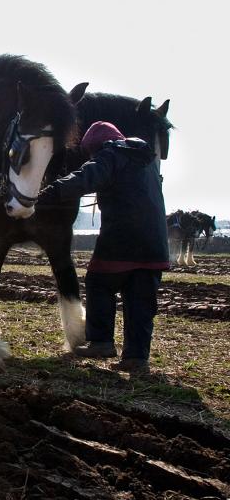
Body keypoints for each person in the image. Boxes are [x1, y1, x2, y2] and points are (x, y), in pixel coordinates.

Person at [38, 121, 169, 373]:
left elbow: (84, 178)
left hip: (123, 239)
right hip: (155, 244)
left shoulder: (111, 154)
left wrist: (46, 194)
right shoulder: (146, 159)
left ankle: (101, 341)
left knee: (99, 282)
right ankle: (136, 358)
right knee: (140, 301)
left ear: (96, 146)